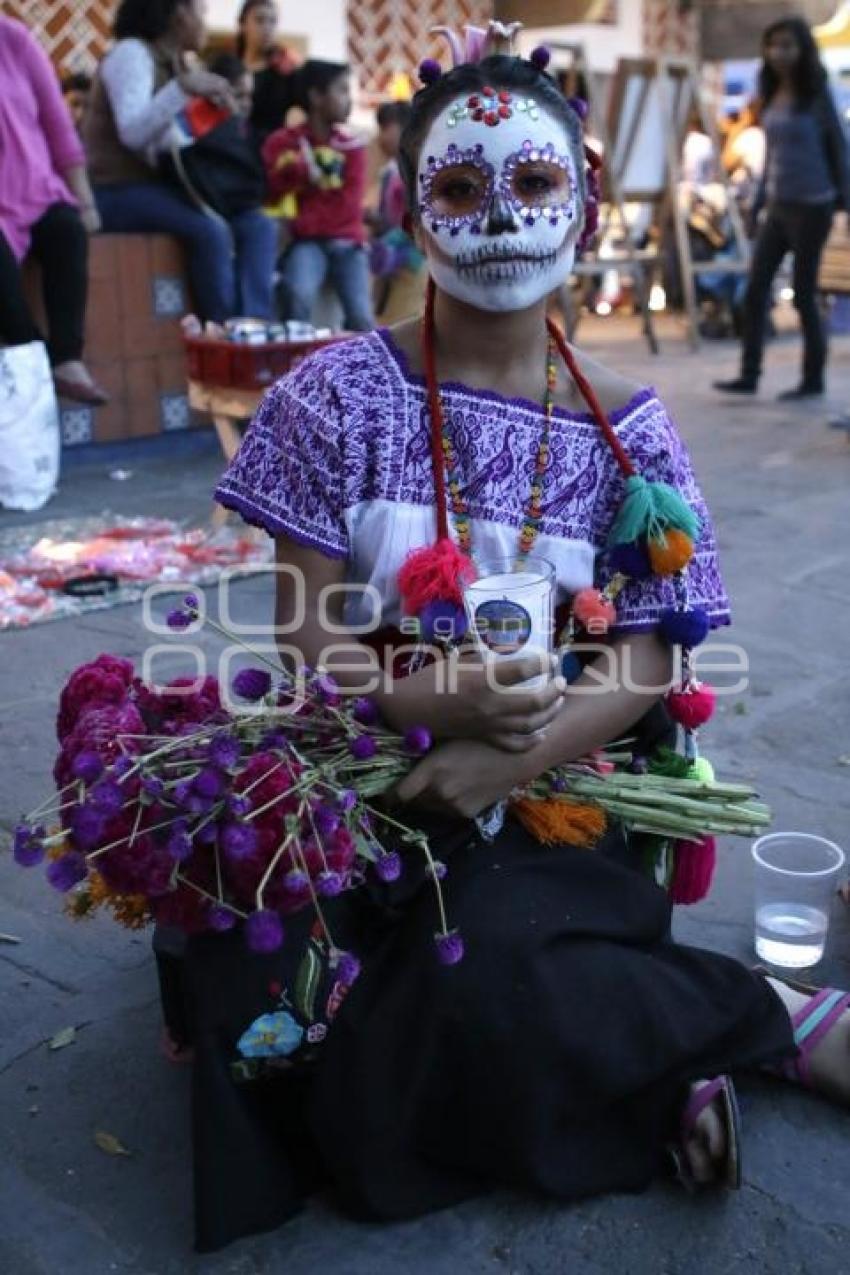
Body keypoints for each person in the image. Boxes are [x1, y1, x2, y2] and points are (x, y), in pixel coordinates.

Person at [189, 26, 850, 1256]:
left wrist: (513, 756)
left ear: (586, 204)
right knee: (260, 993)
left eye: (535, 181)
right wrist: (414, 711)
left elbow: (653, 657)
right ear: (408, 208)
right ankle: (686, 1047)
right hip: (364, 768)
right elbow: (303, 628)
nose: (498, 215)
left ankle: (744, 1025)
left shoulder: (630, 437)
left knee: (469, 966)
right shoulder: (332, 395)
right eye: (457, 186)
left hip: (557, 791)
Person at [85, 0, 278, 322]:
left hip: (161, 189)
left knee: (258, 226)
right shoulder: (131, 53)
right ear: (177, 14)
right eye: (200, 12)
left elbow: (173, 141)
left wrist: (218, 115)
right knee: (210, 230)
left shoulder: (177, 63)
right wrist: (182, 89)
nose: (204, 22)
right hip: (115, 190)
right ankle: (225, 332)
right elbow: (132, 132)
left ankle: (253, 326)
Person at [715, 17, 850, 400]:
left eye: (787, 45)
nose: (779, 53)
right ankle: (749, 373)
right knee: (756, 290)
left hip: (813, 208)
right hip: (777, 205)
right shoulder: (772, 93)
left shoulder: (817, 95)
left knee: (805, 294)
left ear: (803, 49)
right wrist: (758, 204)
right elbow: (772, 155)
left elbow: (840, 150)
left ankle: (813, 379)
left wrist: (847, 204)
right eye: (773, 45)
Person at [0, 16, 106, 404]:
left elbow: (57, 123)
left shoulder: (12, 39)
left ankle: (66, 360)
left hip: (34, 188)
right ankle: (35, 359)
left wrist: (85, 201)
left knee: (67, 231)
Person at [264, 60, 373, 331]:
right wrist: (302, 174)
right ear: (316, 97)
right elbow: (273, 190)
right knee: (296, 295)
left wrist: (300, 221)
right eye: (341, 90)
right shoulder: (283, 142)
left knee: (361, 316)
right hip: (307, 245)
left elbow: (348, 206)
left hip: (346, 243)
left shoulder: (353, 147)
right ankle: (296, 370)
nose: (349, 100)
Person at [235, 0, 299, 142]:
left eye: (273, 22)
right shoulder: (230, 67)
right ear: (242, 24)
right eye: (260, 20)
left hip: (272, 151)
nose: (267, 28)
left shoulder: (285, 71)